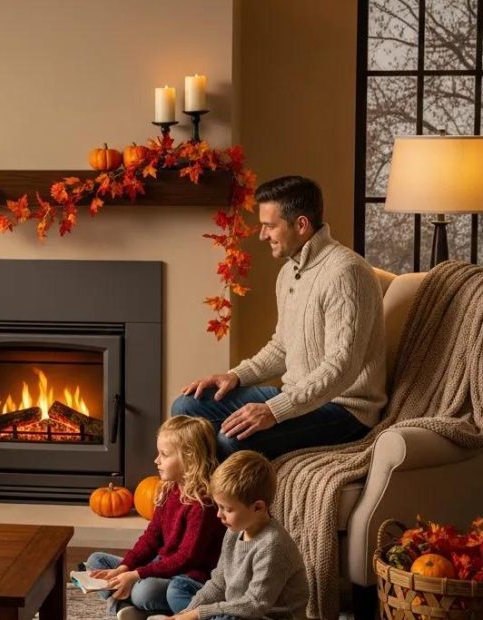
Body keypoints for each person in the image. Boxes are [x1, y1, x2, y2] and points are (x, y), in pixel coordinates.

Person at [173, 175, 387, 460]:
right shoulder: (289, 271)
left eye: (270, 226)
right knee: (186, 408)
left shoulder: (346, 273)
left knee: (232, 440)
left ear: (301, 224)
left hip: (344, 410)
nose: (262, 236)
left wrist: (275, 410)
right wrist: (235, 376)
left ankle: (218, 504)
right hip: (298, 397)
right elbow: (281, 347)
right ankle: (194, 503)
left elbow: (342, 368)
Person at [85, 416, 226, 620]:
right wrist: (125, 567)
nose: (156, 460)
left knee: (144, 592)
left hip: (186, 577)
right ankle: (129, 607)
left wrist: (136, 575)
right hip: (160, 564)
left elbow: (186, 558)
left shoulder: (203, 503)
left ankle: (129, 605)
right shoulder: (169, 490)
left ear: (189, 458)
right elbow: (151, 538)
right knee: (96, 562)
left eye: (164, 454)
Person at [148, 450, 307, 620]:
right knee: (180, 591)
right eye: (219, 506)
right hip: (240, 610)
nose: (219, 515)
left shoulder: (272, 545)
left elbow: (254, 605)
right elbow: (218, 584)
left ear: (258, 508)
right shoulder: (233, 532)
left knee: (226, 617)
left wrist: (197, 614)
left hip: (263, 616)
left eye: (227, 509)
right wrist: (184, 614)